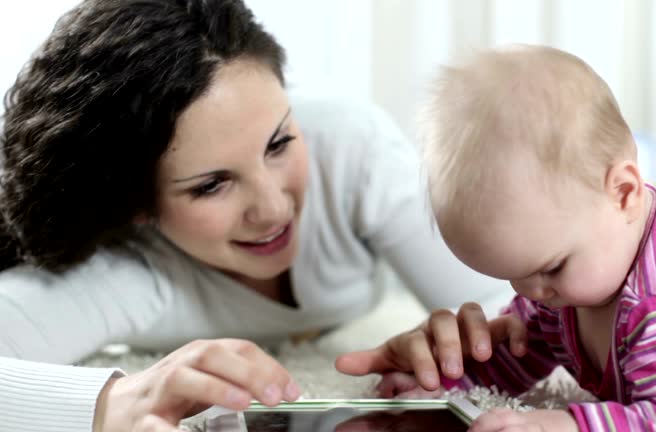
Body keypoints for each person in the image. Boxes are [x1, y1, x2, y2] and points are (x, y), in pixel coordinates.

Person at [0, 1, 510, 431]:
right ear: (139, 209)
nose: (273, 208)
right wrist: (110, 402)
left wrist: (462, 342)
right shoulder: (125, 270)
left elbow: (517, 310)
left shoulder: (350, 150)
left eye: (280, 142)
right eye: (211, 185)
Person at [336, 45, 656, 431]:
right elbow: (523, 350)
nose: (529, 293)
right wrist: (448, 385)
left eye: (549, 268)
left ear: (623, 193)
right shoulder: (568, 270)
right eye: (514, 276)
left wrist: (564, 424)